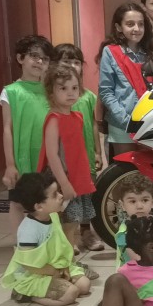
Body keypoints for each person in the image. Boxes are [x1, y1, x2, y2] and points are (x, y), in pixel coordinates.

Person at [1, 172, 91, 306]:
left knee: (84, 285)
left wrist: (64, 268)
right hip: (33, 275)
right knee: (71, 294)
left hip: (55, 267)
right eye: (55, 195)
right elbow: (29, 265)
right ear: (39, 206)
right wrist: (57, 273)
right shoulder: (29, 230)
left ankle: (56, 285)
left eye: (59, 191)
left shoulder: (53, 216)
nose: (60, 196)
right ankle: (26, 294)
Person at [54, 43, 104, 252]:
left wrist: (97, 152)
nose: (73, 66)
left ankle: (86, 232)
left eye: (76, 62)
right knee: (67, 198)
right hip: (66, 159)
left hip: (85, 157)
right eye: (67, 61)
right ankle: (68, 237)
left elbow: (93, 125)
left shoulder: (88, 96)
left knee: (86, 195)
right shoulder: (57, 99)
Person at [0, 34, 52, 232]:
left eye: (44, 58)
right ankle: (21, 243)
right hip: (22, 156)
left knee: (47, 199)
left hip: (47, 156)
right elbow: (7, 128)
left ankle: (47, 241)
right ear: (20, 58)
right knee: (17, 201)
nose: (39, 62)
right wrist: (10, 164)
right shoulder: (11, 91)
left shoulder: (51, 91)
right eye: (34, 56)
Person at [98, 2, 153, 159]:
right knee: (127, 170)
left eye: (140, 24)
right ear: (118, 27)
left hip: (147, 122)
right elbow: (106, 92)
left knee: (148, 169)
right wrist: (126, 121)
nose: (136, 29)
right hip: (122, 124)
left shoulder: (149, 53)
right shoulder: (110, 52)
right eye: (130, 24)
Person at [112, 172, 153, 267]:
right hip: (133, 272)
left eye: (145, 200)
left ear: (152, 202)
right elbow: (138, 259)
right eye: (132, 201)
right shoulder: (123, 233)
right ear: (122, 205)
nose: (139, 206)